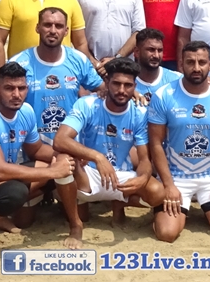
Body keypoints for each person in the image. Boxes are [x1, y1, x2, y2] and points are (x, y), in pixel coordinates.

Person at [0, 62, 77, 248]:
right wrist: (53, 171)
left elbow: (36, 150)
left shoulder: (26, 111)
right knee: (15, 192)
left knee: (61, 164)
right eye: (9, 88)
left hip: (1, 180)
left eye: (21, 88)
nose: (16, 94)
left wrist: (65, 156)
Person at [53, 57, 167, 227]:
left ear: (135, 86)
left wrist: (143, 177)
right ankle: (76, 224)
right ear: (106, 83)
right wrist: (97, 157)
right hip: (87, 172)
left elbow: (144, 159)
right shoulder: (87, 104)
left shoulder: (140, 113)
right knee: (63, 159)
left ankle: (119, 203)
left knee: (158, 193)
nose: (122, 90)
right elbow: (60, 140)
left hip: (120, 176)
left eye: (128, 85)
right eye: (116, 84)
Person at [148, 41, 210, 241]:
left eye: (202, 62)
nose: (196, 68)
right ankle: (165, 211)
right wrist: (168, 185)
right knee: (167, 234)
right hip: (176, 175)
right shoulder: (164, 95)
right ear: (181, 64)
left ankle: (202, 206)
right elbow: (155, 143)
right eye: (190, 62)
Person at [10, 7, 105, 146]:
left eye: (59, 26)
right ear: (37, 28)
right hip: (31, 147)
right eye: (47, 25)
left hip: (70, 147)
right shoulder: (19, 62)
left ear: (66, 31)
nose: (53, 31)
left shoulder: (78, 59)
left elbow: (104, 89)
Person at [132, 27, 182, 103]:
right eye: (151, 50)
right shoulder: (124, 82)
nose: (156, 55)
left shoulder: (177, 80)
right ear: (137, 52)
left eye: (160, 50)